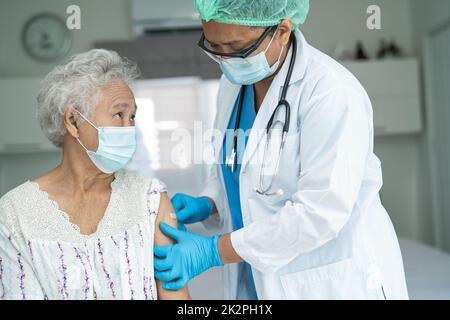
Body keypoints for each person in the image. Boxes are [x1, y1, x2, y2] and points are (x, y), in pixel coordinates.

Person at [154, 0, 409, 300]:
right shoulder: (231, 85)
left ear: (283, 30)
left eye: (236, 47)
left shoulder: (331, 92)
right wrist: (209, 202)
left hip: (328, 282)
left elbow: (320, 214)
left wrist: (213, 251)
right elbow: (237, 171)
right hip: (254, 279)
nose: (225, 60)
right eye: (213, 46)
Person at [0, 49, 190, 300]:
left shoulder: (150, 199)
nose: (129, 127)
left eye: (132, 116)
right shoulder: (13, 215)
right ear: (73, 121)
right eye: (119, 114)